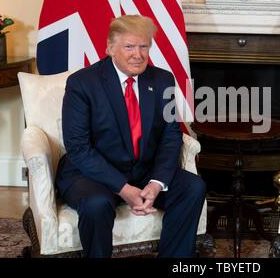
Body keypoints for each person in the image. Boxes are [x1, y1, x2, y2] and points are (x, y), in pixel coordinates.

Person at [55, 15, 206, 258]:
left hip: (144, 171)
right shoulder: (82, 84)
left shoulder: (161, 80)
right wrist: (123, 188)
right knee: (96, 204)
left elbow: (170, 137)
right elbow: (78, 148)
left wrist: (156, 183)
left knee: (193, 187)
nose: (138, 54)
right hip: (93, 174)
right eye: (129, 46)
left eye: (144, 46)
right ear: (110, 48)